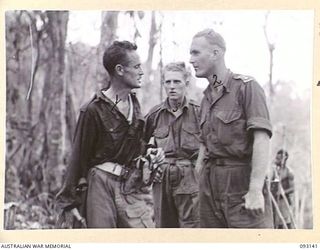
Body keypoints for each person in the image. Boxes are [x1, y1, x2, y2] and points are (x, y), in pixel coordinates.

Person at [56, 40, 164, 228]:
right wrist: (69, 202)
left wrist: (151, 154)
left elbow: (139, 147)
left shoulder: (136, 107)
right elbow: (78, 157)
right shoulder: (92, 110)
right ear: (120, 70)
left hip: (130, 186)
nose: (142, 72)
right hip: (100, 185)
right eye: (136, 67)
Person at [189, 28, 273, 228]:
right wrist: (198, 182)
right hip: (209, 188)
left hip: (240, 184)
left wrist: (255, 190)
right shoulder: (206, 97)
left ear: (216, 53)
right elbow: (204, 144)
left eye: (196, 53)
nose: (191, 60)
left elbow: (261, 138)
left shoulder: (246, 87)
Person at [144, 62, 200, 228]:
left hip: (190, 178)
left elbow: (210, 147)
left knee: (192, 230)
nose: (172, 87)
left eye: (177, 82)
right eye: (168, 82)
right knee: (164, 229)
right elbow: (140, 145)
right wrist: (150, 164)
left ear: (186, 83)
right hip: (162, 179)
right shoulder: (154, 114)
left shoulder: (199, 111)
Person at [271, 149, 295, 229]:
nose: (276, 160)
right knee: (276, 223)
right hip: (275, 201)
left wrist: (282, 193)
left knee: (285, 222)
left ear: (283, 160)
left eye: (278, 159)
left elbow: (293, 188)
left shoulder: (289, 172)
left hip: (284, 201)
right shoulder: (275, 171)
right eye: (276, 158)